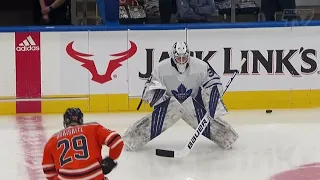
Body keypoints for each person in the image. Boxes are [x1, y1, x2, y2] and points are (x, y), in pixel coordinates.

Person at [123, 42, 238, 151]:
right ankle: (132, 139)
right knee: (165, 112)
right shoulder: (161, 68)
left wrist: (213, 100)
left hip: (194, 101)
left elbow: (214, 81)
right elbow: (148, 87)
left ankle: (226, 136)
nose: (182, 62)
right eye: (179, 58)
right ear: (173, 57)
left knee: (202, 110)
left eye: (184, 58)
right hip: (169, 103)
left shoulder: (200, 66)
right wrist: (155, 97)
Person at [42, 108, 123, 180]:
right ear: (80, 120)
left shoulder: (52, 140)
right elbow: (117, 141)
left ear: (65, 122)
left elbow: (49, 172)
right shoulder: (93, 128)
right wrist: (110, 159)